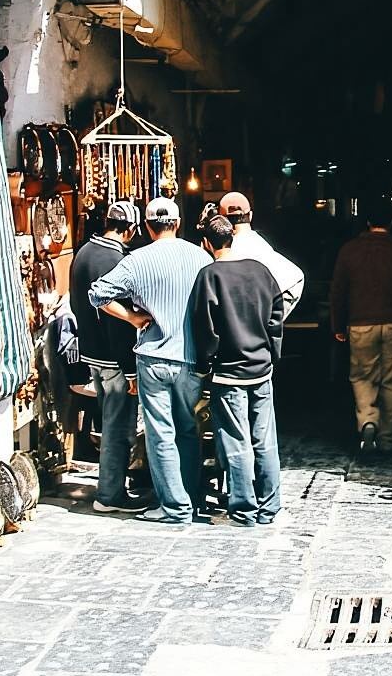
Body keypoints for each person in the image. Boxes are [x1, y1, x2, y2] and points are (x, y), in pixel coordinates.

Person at [90, 197, 212, 524]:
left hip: (154, 355)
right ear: (178, 222)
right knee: (187, 428)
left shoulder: (137, 260)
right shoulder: (200, 256)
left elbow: (97, 294)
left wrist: (131, 317)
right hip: (189, 356)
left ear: (146, 227)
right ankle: (189, 497)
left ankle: (173, 506)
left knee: (161, 432)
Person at [190, 215, 285, 526]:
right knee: (264, 437)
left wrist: (205, 363)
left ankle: (243, 508)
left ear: (207, 243)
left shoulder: (210, 276)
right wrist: (273, 354)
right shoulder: (261, 271)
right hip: (261, 366)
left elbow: (205, 328)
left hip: (228, 371)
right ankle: (269, 505)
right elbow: (276, 318)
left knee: (236, 439)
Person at [69, 200, 148, 513]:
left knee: (109, 420)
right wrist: (130, 370)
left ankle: (109, 485)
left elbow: (78, 305)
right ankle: (109, 494)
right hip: (114, 358)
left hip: (92, 354)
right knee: (118, 427)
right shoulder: (118, 260)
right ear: (129, 230)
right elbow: (119, 324)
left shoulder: (83, 253)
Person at [330, 200, 392, 456]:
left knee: (362, 378)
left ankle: (368, 422)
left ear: (368, 223)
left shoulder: (349, 251)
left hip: (360, 323)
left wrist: (338, 325)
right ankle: (387, 437)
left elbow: (338, 292)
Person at [218, 191, 306, 320]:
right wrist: (271, 322)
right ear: (251, 215)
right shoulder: (263, 248)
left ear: (222, 220)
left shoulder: (224, 254)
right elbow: (297, 277)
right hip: (261, 334)